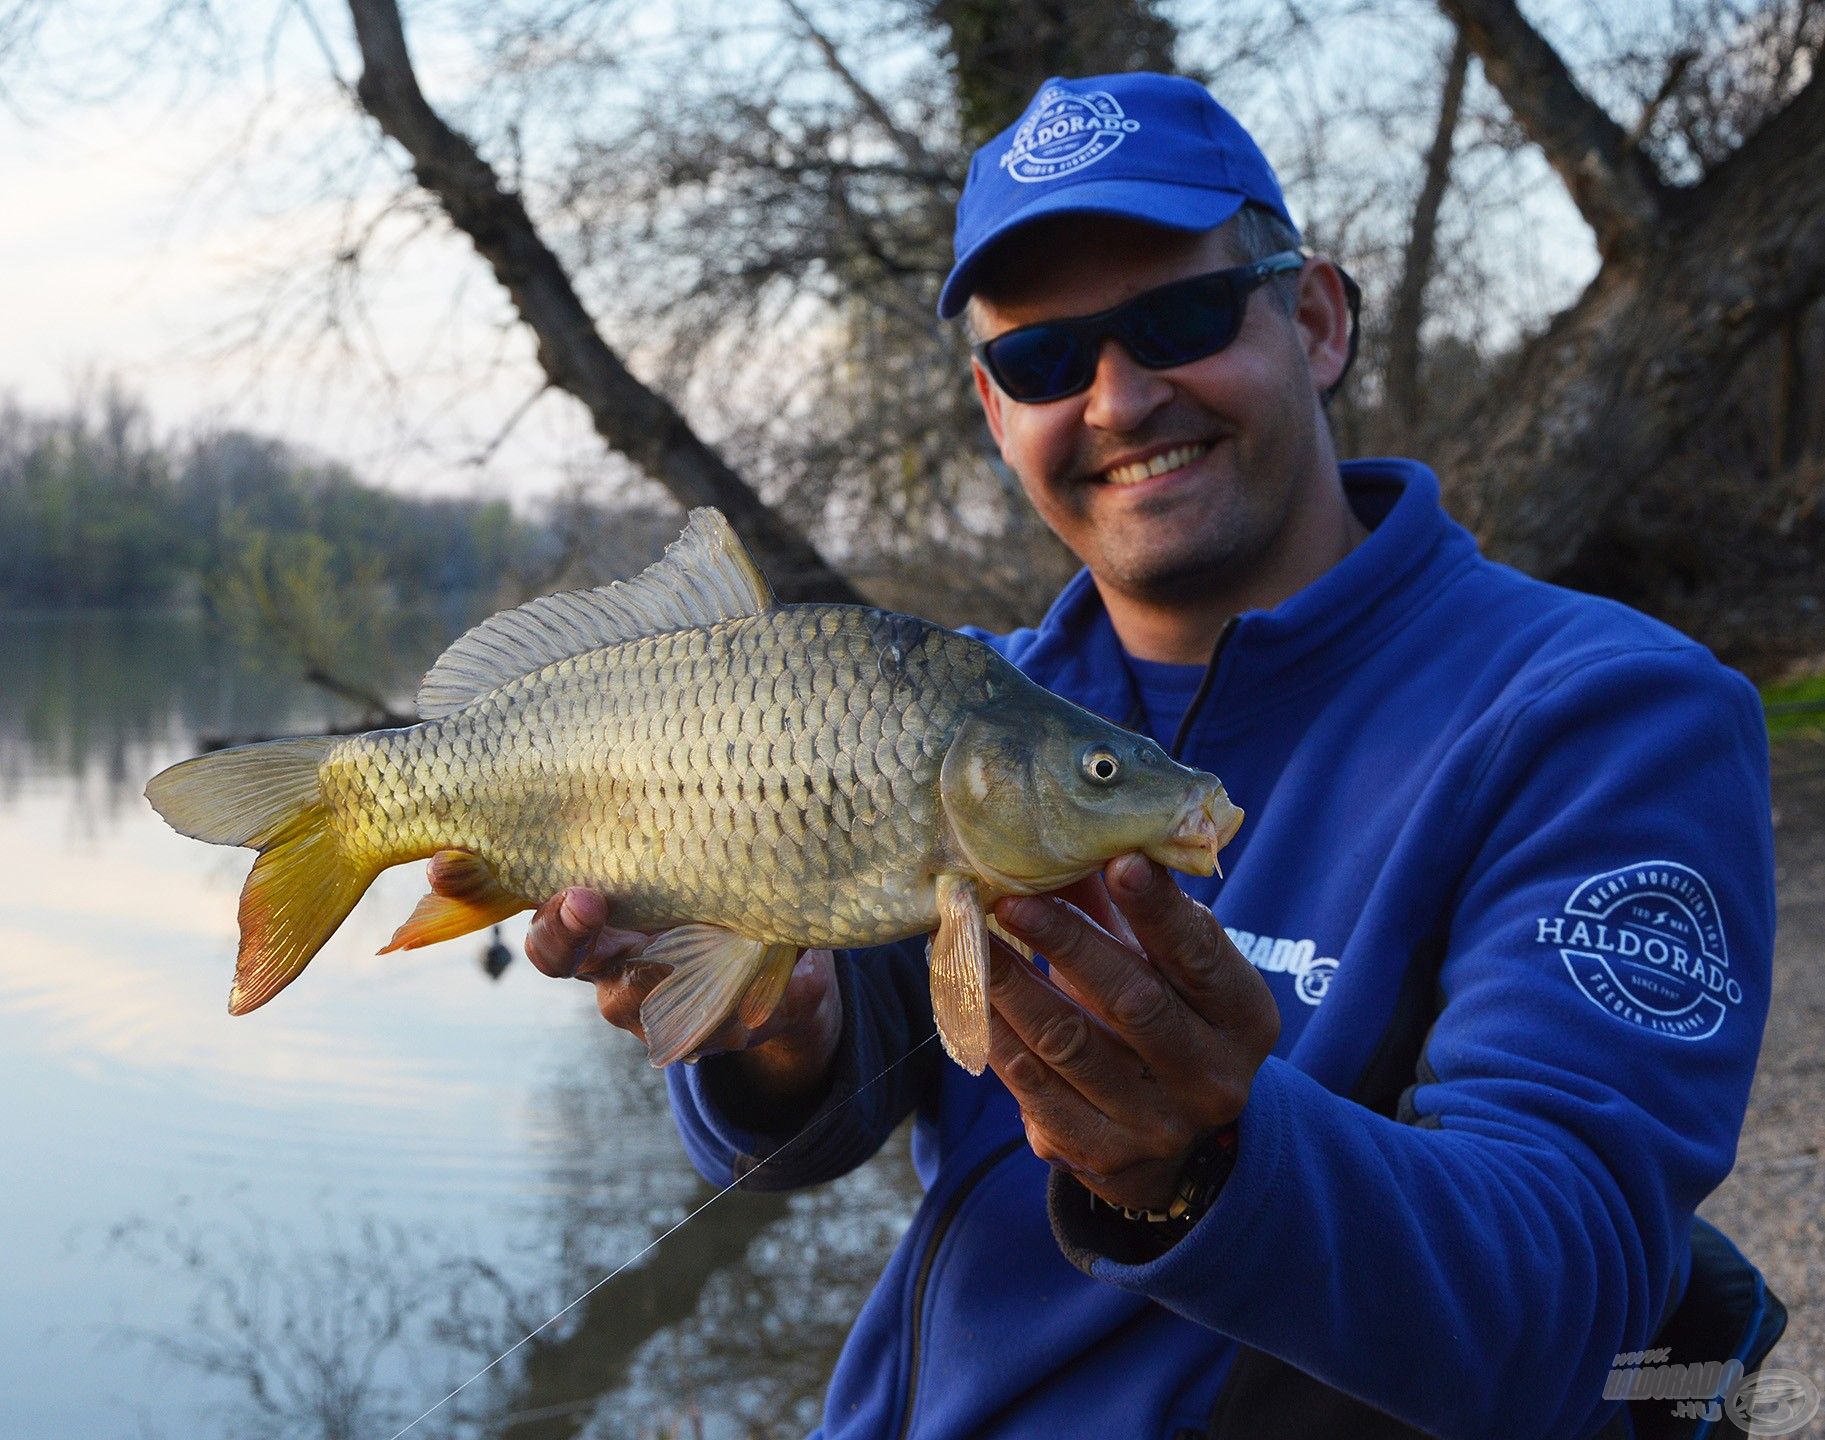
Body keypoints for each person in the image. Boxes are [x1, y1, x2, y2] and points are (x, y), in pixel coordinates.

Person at [488, 72, 1780, 1438]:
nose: (1116, 396)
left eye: (1179, 318)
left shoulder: (1601, 715)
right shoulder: (968, 708)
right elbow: (808, 1128)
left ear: (1318, 320)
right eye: (1044, 359)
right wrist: (771, 1033)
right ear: (995, 412)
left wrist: (1213, 1161)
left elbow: (1569, 1309)